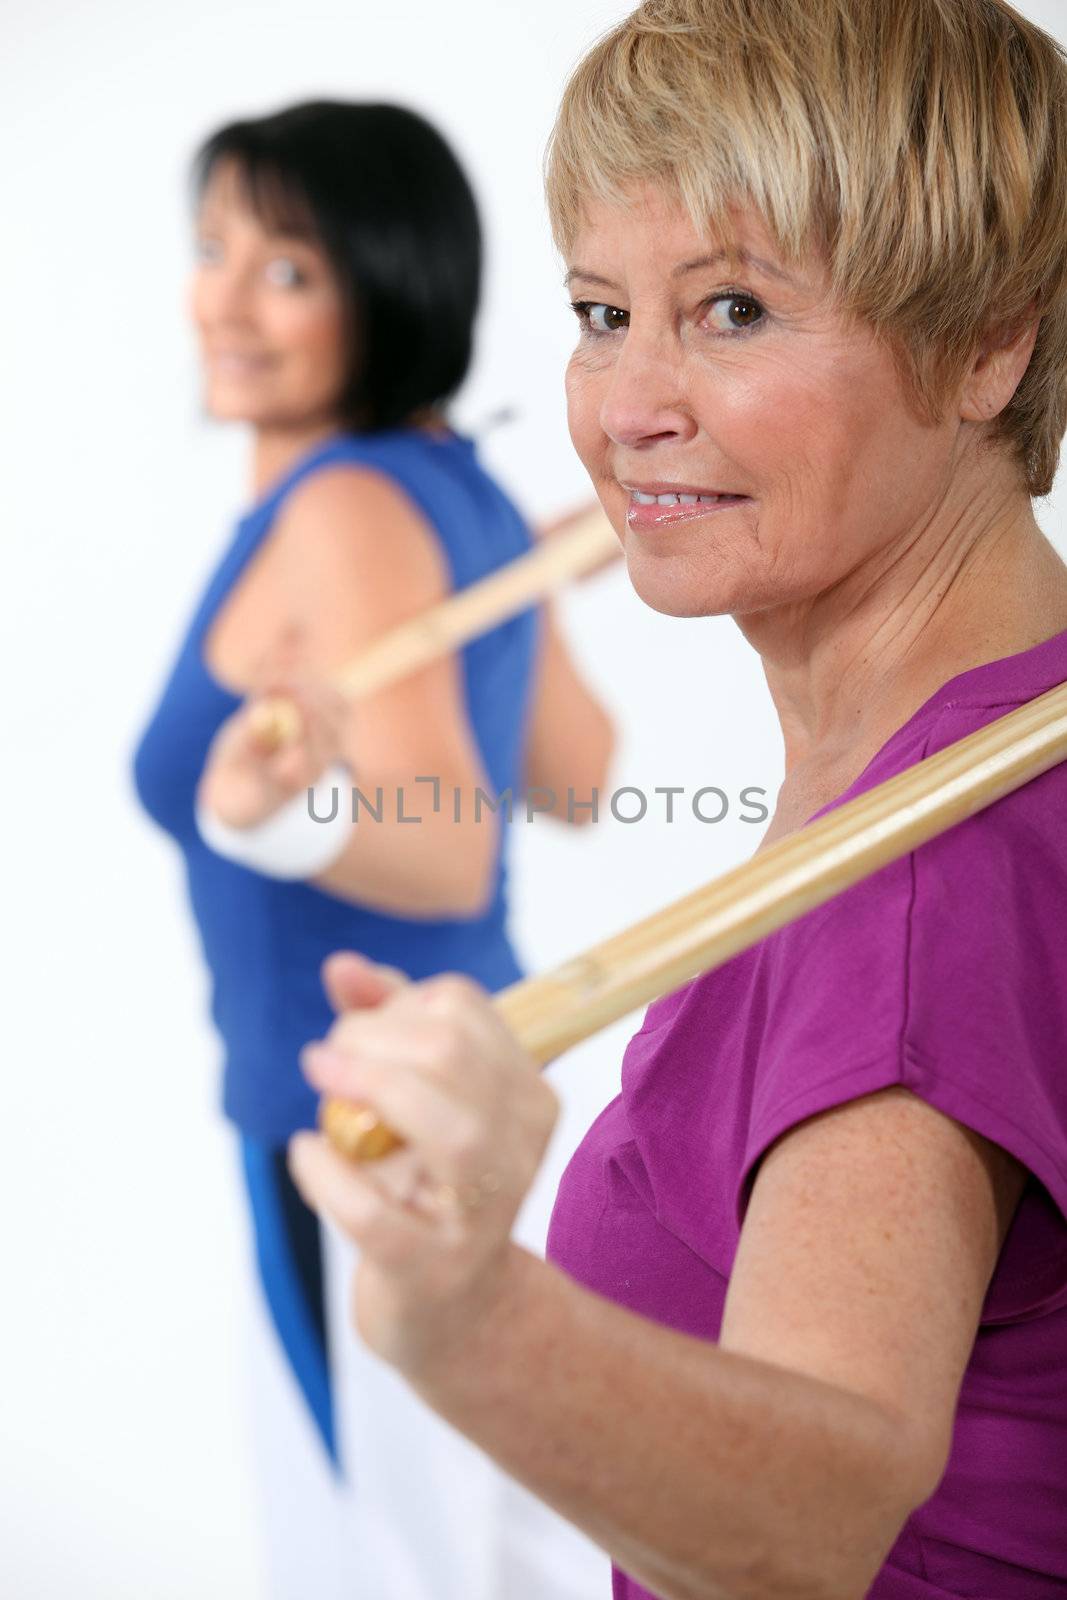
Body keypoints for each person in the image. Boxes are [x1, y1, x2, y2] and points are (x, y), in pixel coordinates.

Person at [287, 3, 1067, 1596]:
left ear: (993, 339)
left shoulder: (926, 875)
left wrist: (464, 1307)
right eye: (598, 311)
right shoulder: (962, 755)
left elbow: (818, 1513)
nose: (628, 405)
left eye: (731, 310)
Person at [131, 99, 614, 1600]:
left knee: (393, 1559)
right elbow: (582, 776)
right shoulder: (451, 487)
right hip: (464, 1073)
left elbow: (451, 846)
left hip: (361, 1115)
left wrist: (266, 814)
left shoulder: (343, 506)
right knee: (482, 1536)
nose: (221, 298)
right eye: (213, 249)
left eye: (285, 268)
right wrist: (510, 588)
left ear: (391, 281)